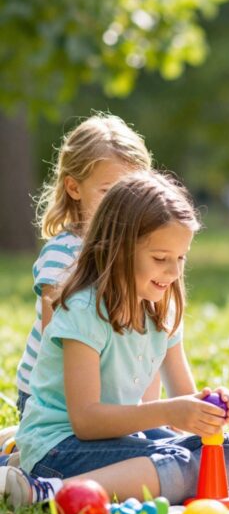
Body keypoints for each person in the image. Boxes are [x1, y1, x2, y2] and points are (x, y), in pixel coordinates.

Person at [0, 172, 229, 508]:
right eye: (160, 259)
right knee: (176, 462)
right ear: (116, 250)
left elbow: (182, 396)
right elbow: (86, 422)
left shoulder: (161, 307)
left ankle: (130, 477)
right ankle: (48, 491)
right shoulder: (84, 311)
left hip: (120, 439)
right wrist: (169, 412)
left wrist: (207, 407)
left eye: (180, 258)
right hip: (60, 447)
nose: (174, 272)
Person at [14, 114, 152, 419]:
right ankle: (15, 451)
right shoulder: (62, 256)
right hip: (50, 402)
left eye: (132, 191)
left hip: (108, 396)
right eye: (108, 192)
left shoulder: (138, 252)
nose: (122, 205)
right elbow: (57, 347)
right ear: (74, 188)